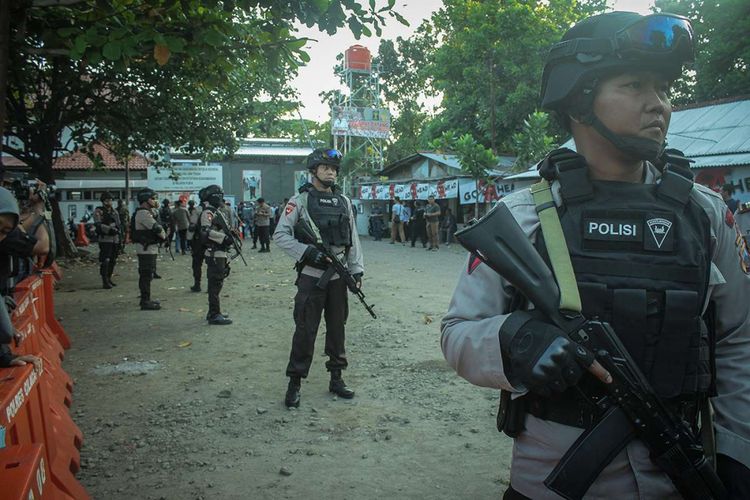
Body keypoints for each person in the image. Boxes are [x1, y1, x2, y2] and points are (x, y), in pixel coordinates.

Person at [441, 11, 750, 499]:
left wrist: (738, 453)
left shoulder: (706, 216)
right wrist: (516, 341)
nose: (659, 105)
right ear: (580, 98)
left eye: (664, 88)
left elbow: (738, 341)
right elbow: (458, 333)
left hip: (679, 474)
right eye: (634, 85)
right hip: (552, 479)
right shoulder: (524, 215)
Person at [274, 148, 364, 408]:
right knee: (305, 330)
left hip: (338, 277)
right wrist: (307, 252)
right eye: (325, 167)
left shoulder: (344, 202)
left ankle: (336, 379)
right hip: (311, 277)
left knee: (337, 330)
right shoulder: (299, 201)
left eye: (334, 169)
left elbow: (353, 240)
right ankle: (295, 383)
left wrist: (357, 270)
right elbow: (281, 235)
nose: (331, 172)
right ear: (313, 171)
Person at [198, 185, 233, 325]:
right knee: (215, 284)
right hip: (214, 252)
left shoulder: (215, 211)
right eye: (219, 195)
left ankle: (214, 311)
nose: (222, 198)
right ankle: (214, 314)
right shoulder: (208, 212)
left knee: (218, 283)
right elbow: (205, 231)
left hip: (219, 252)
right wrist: (223, 238)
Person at [132, 189, 166, 310]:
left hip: (149, 248)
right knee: (146, 274)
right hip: (145, 248)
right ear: (146, 200)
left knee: (148, 274)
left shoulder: (148, 212)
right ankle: (145, 301)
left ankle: (146, 299)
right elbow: (157, 228)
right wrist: (164, 235)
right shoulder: (143, 213)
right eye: (153, 198)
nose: (155, 201)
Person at [93, 191, 122, 289]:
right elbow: (98, 224)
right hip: (105, 239)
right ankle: (104, 280)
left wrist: (118, 232)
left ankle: (109, 278)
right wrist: (109, 229)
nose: (109, 202)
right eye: (107, 200)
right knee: (105, 260)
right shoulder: (99, 211)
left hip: (115, 239)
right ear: (103, 201)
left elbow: (119, 224)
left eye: (110, 200)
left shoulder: (114, 211)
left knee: (113, 260)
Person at [187, 199, 205, 292]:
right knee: (213, 265)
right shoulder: (216, 210)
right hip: (213, 240)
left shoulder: (197, 210)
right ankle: (212, 286)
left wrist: (189, 240)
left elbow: (192, 227)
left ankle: (197, 284)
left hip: (199, 241)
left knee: (197, 264)